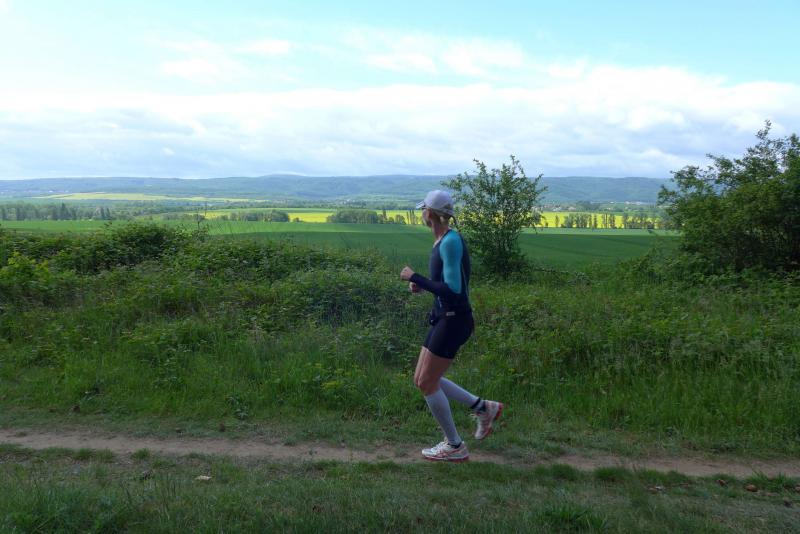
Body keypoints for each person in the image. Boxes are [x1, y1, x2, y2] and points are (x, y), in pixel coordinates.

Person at [400, 190, 503, 462]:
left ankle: (455, 445)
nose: (422, 213)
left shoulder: (450, 242)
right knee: (422, 379)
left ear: (431, 214)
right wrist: (422, 286)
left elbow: (454, 290)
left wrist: (415, 277)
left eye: (423, 209)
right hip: (443, 317)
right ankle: (483, 408)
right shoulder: (442, 241)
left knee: (427, 381)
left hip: (455, 320)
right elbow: (445, 284)